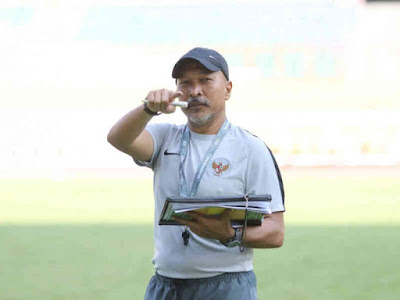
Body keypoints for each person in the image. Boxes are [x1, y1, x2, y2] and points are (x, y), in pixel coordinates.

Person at [107, 47, 285, 300]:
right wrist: (148, 109)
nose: (195, 91)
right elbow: (118, 139)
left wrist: (229, 234)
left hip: (226, 286)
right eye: (185, 83)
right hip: (166, 285)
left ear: (228, 89)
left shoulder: (250, 149)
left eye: (205, 80)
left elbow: (275, 232)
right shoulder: (165, 137)